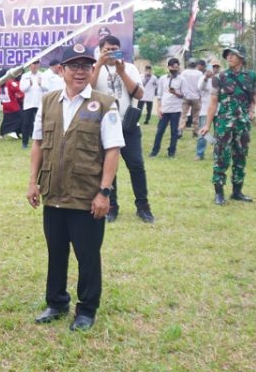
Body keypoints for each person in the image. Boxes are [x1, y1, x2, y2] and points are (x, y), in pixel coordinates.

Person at [27, 43, 122, 331]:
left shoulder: (104, 103)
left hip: (86, 194)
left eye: (86, 66)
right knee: (56, 252)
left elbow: (113, 150)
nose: (80, 72)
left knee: (87, 255)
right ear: (61, 70)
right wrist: (32, 182)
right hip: (53, 192)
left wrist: (104, 192)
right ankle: (56, 302)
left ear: (92, 70)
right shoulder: (48, 101)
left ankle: (87, 309)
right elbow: (38, 143)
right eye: (74, 66)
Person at [91, 35, 154, 223]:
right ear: (100, 50)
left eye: (114, 49)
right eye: (107, 49)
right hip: (103, 125)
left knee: (136, 165)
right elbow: (88, 91)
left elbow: (139, 94)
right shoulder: (94, 68)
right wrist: (99, 65)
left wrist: (122, 72)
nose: (111, 52)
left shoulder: (130, 68)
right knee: (108, 168)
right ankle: (111, 207)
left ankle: (143, 206)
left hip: (128, 125)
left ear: (120, 50)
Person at [199, 45, 256, 205]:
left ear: (242, 57)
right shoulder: (220, 77)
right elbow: (213, 102)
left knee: (240, 157)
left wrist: (252, 110)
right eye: (228, 55)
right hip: (224, 124)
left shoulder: (251, 76)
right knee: (221, 158)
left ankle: (237, 192)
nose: (229, 57)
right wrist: (207, 125)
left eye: (233, 55)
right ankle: (219, 193)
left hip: (243, 124)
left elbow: (254, 94)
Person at [151, 58, 184, 158]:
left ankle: (171, 152)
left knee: (174, 132)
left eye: (177, 68)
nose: (175, 69)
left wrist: (175, 93)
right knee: (160, 131)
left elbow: (184, 95)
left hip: (176, 109)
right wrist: (158, 108)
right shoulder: (162, 79)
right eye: (173, 67)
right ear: (169, 67)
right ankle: (155, 151)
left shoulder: (182, 79)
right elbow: (159, 95)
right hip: (165, 109)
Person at [19, 59, 47, 148]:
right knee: (26, 123)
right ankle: (25, 142)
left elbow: (47, 88)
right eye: (33, 64)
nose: (34, 66)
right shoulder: (25, 76)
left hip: (40, 103)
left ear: (39, 65)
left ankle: (42, 141)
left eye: (36, 64)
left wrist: (41, 84)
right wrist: (29, 85)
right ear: (30, 65)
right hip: (29, 103)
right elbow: (22, 89)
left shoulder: (42, 75)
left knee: (41, 123)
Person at [196, 65, 216, 160]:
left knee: (219, 133)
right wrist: (206, 78)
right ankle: (200, 154)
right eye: (213, 67)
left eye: (216, 67)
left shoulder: (220, 79)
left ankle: (218, 153)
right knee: (203, 132)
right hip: (205, 110)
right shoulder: (202, 78)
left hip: (218, 109)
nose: (215, 69)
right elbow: (200, 88)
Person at [179, 60, 204, 135]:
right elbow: (201, 86)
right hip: (196, 97)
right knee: (196, 115)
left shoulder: (184, 73)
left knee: (183, 114)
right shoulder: (199, 73)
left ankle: (180, 130)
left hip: (186, 96)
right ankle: (195, 131)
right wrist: (200, 96)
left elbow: (181, 84)